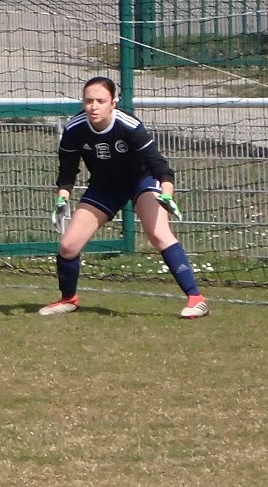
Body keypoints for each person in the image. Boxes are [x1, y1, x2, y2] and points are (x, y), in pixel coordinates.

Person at [40, 75, 208, 320]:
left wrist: (167, 195)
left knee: (159, 234)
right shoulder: (75, 129)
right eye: (89, 101)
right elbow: (67, 171)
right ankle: (68, 299)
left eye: (100, 101)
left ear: (113, 103)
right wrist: (62, 199)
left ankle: (196, 299)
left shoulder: (129, 126)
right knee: (68, 246)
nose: (94, 107)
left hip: (142, 180)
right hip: (105, 186)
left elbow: (160, 166)